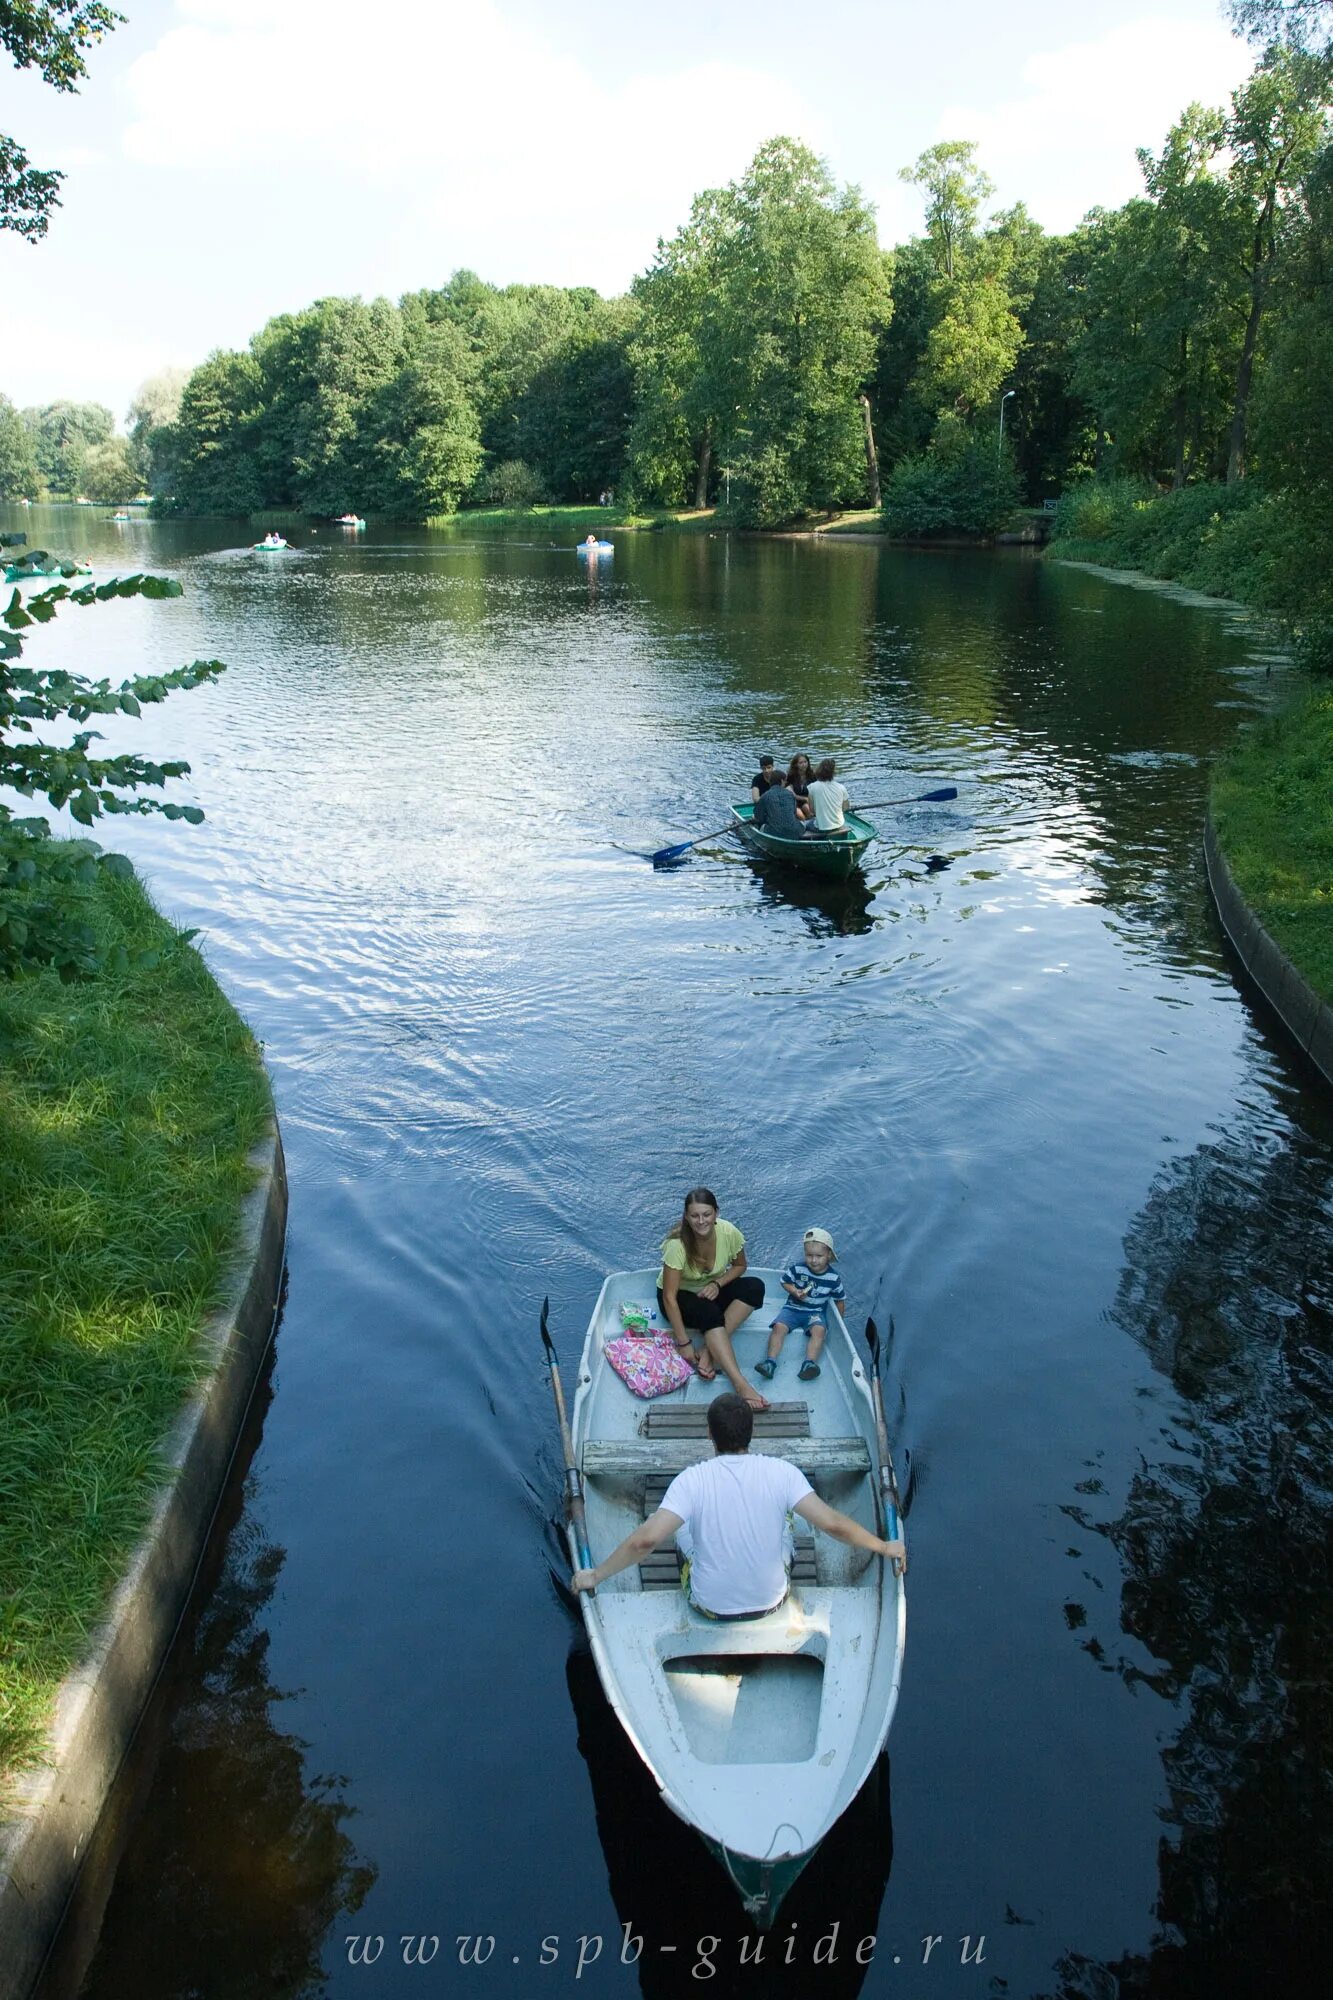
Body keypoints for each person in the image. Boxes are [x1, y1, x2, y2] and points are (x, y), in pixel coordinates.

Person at [571, 1393, 905, 1611]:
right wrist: (883, 1546)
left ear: (709, 1434)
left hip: (708, 1606)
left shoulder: (691, 1480)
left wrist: (596, 1575)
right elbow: (832, 1524)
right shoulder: (783, 1473)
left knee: (680, 1524)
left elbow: (645, 1540)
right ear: (752, 1430)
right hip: (772, 1601)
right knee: (789, 1520)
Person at [657, 1187, 768, 1409]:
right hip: (679, 1296)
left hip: (710, 1290)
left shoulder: (728, 1232)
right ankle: (741, 1385)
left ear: (716, 1213)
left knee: (756, 1287)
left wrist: (717, 1284)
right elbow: (669, 1297)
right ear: (686, 1217)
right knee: (710, 1313)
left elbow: (740, 1266)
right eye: (694, 1216)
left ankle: (709, 1351)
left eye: (706, 1214)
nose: (701, 1221)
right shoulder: (677, 1245)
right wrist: (684, 1343)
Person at [756, 1227, 846, 1382]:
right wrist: (794, 1291)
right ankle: (770, 1362)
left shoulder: (833, 1278)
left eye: (819, 1256)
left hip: (815, 1312)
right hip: (792, 1309)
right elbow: (784, 1281)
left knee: (819, 1330)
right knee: (779, 1327)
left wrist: (839, 1324)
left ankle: (809, 1364)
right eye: (809, 1255)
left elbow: (840, 1300)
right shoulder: (798, 1269)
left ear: (828, 1255)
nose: (813, 1260)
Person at [806, 757, 853, 837]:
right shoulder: (841, 787)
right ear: (833, 773)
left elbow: (812, 810)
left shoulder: (811, 787)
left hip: (821, 828)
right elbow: (845, 808)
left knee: (807, 824)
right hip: (838, 825)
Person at [752, 770, 807, 839]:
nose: (786, 783)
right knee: (803, 824)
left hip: (774, 833)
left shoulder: (765, 796)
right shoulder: (790, 794)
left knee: (761, 825)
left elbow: (758, 817)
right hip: (794, 832)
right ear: (781, 781)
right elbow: (794, 814)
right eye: (785, 781)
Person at [786, 752, 815, 819]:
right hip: (795, 801)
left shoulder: (812, 775)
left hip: (808, 801)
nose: (804, 765)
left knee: (806, 808)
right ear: (796, 765)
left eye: (805, 762)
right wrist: (804, 798)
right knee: (800, 814)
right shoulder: (791, 776)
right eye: (801, 763)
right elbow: (791, 793)